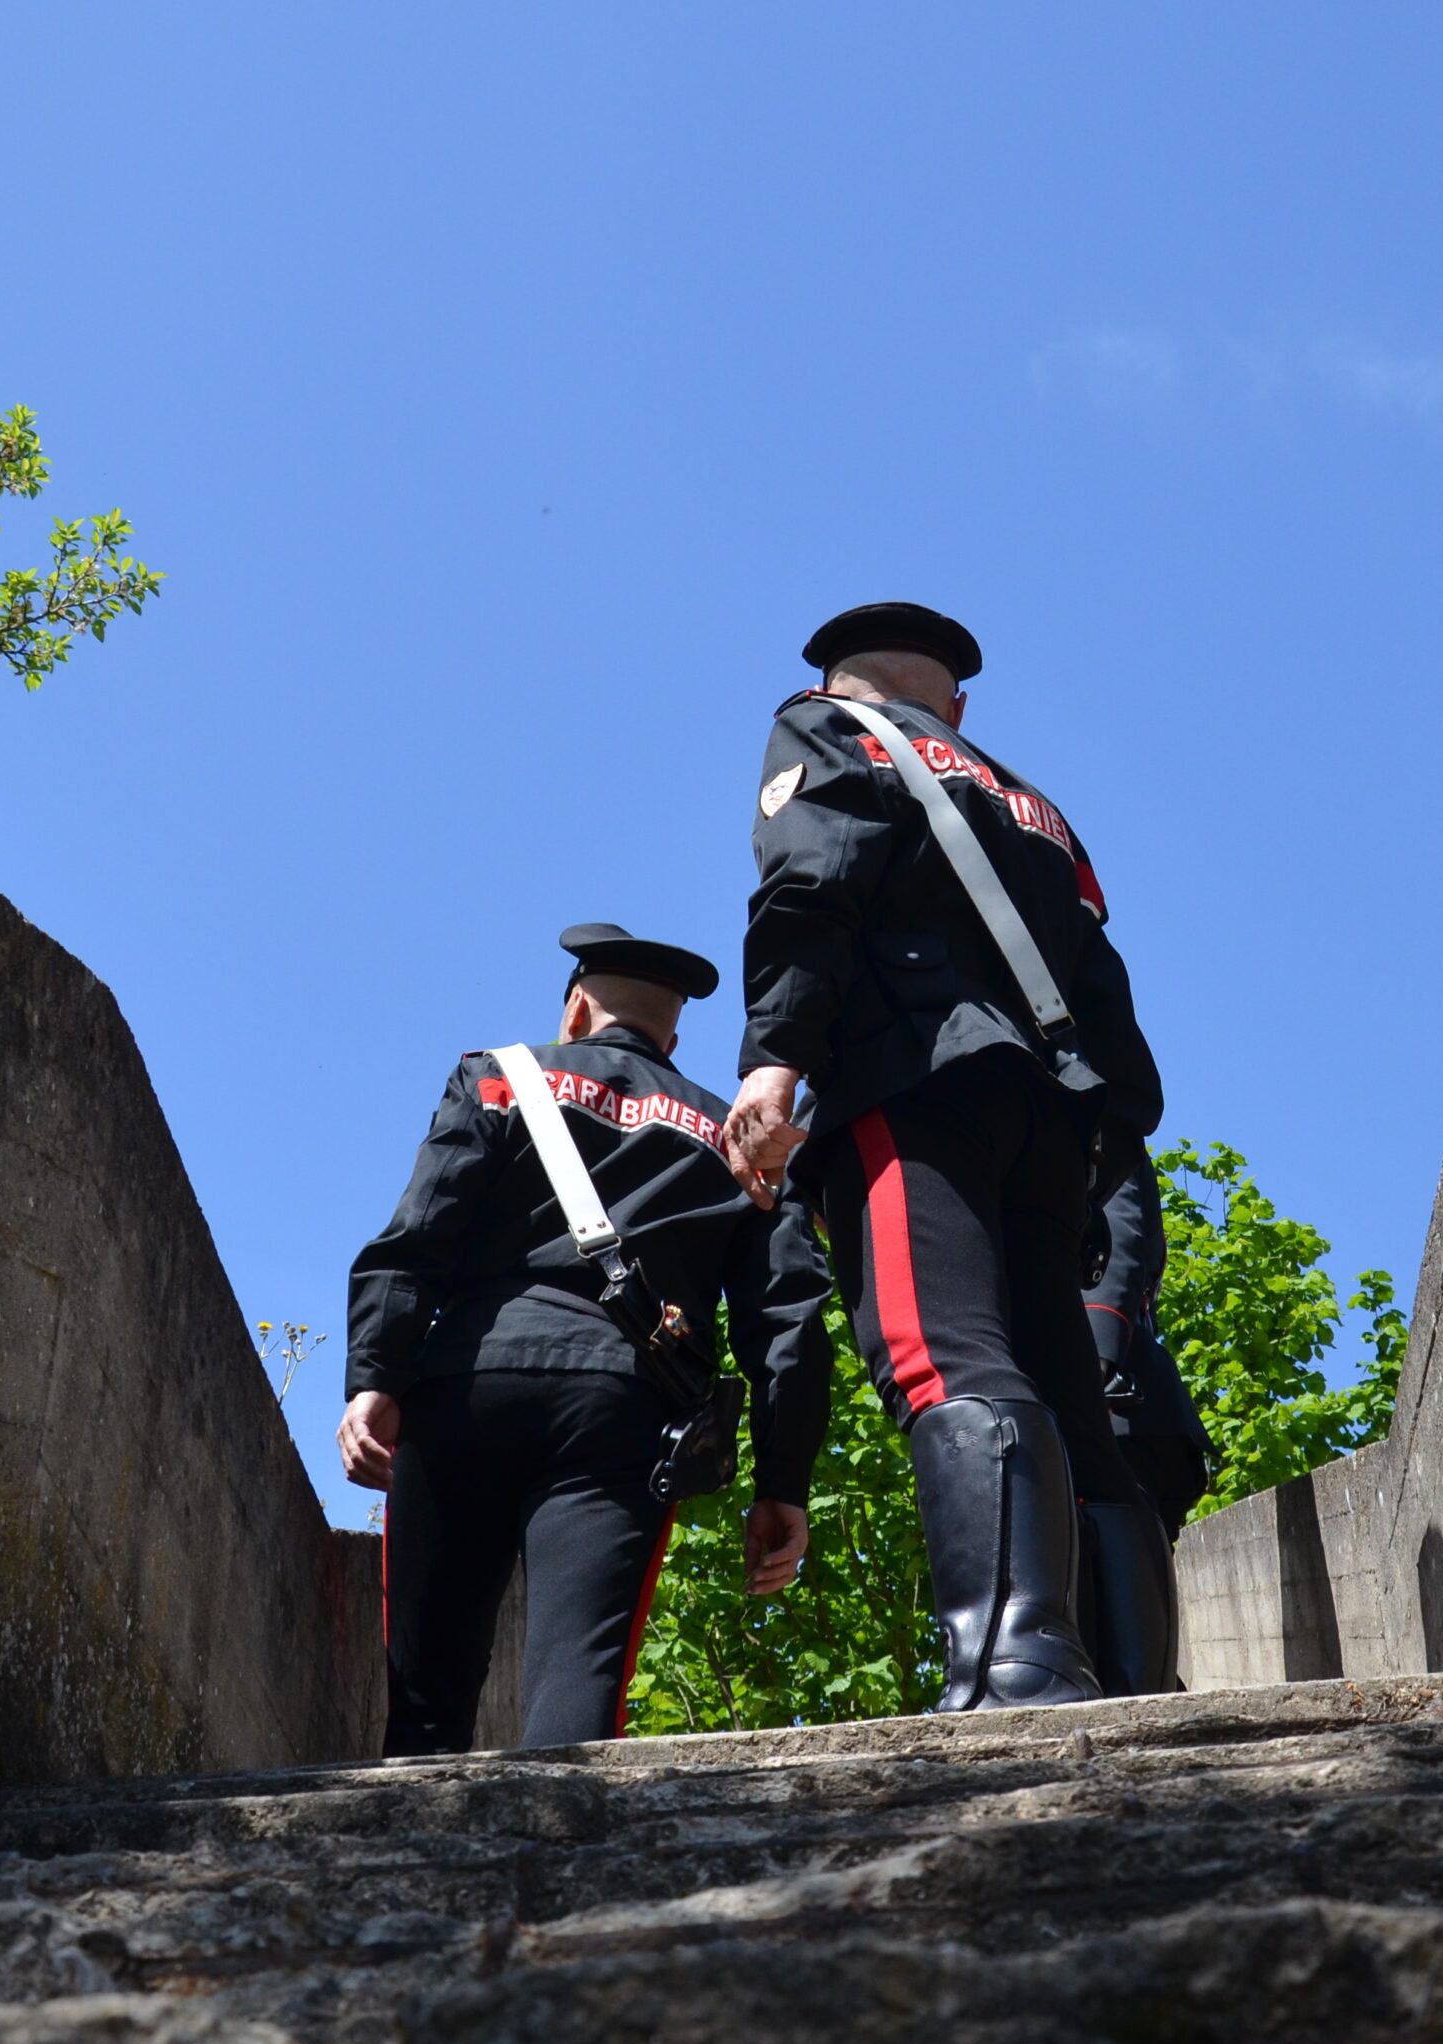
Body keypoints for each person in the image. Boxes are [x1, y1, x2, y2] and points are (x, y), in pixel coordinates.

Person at [724, 602, 1173, 1708]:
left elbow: (810, 885)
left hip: (909, 1080)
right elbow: (1099, 979)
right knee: (1067, 1398)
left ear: (839, 684)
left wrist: (775, 1059)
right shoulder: (1035, 803)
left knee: (943, 1355)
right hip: (1051, 1115)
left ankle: (1011, 1664)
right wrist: (1104, 1131)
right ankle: (1127, 1677)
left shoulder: (827, 732)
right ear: (954, 704)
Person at [340, 924, 832, 1753]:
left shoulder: (497, 1079)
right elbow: (786, 1319)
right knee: (579, 1681)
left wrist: (374, 1377)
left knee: (426, 1691)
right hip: (621, 1411)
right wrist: (781, 1481)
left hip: (467, 1384)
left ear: (575, 1011)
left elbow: (415, 1238)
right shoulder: (733, 1139)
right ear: (672, 1038)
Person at [1078, 1141, 1215, 1692]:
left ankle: (1144, 1712)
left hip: (1120, 1403)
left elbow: (1122, 1220)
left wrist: (1095, 1351)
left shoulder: (1093, 1121)